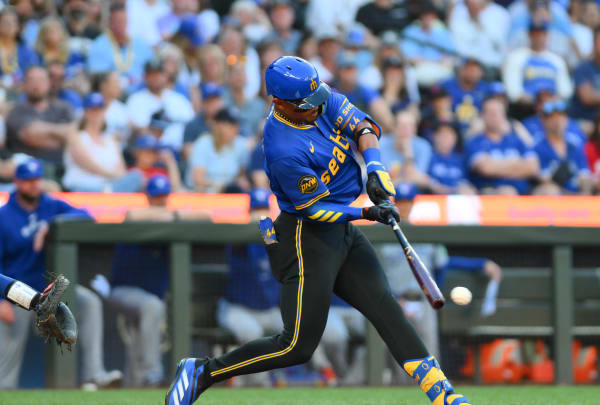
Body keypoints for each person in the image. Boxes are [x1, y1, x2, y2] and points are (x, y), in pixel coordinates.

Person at [165, 56, 471, 405]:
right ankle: (202, 371)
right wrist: (367, 211)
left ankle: (441, 393)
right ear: (280, 103)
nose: (316, 107)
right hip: (305, 237)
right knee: (296, 346)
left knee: (387, 309)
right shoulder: (281, 147)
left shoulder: (319, 97)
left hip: (342, 230)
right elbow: (315, 209)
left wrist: (374, 168)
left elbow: (364, 127)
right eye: (306, 104)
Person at [0, 159, 122, 390]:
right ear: (17, 182)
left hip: (48, 290)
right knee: (7, 349)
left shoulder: (50, 205)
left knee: (88, 302)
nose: (33, 185)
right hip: (16, 294)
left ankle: (94, 375)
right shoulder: (4, 215)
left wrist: (51, 223)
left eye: (37, 180)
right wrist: (0, 300)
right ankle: (4, 390)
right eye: (28, 180)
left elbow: (87, 215)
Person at [109, 174, 209, 387]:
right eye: (156, 197)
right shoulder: (138, 217)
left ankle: (133, 386)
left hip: (148, 295)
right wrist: (166, 215)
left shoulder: (170, 219)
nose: (160, 201)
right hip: (122, 291)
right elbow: (129, 215)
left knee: (139, 340)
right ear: (147, 197)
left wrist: (172, 215)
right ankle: (152, 373)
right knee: (153, 307)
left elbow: (206, 216)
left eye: (164, 196)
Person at [377, 183, 445, 381]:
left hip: (423, 300)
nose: (405, 207)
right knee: (399, 354)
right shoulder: (382, 232)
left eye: (409, 203)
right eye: (402, 203)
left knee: (430, 349)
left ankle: (436, 388)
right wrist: (392, 299)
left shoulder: (426, 234)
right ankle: (401, 391)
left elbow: (442, 266)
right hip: (396, 300)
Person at [219, 188, 283, 387]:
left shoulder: (276, 237)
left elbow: (275, 240)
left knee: (299, 329)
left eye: (264, 209)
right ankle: (259, 383)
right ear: (248, 212)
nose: (260, 214)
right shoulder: (240, 237)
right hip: (237, 309)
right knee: (252, 332)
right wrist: (261, 224)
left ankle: (326, 373)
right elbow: (250, 234)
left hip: (268, 310)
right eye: (256, 209)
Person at [62, 93, 143, 193]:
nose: (97, 113)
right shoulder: (77, 137)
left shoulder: (111, 139)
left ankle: (109, 191)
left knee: (137, 176)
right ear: (85, 112)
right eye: (92, 110)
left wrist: (118, 178)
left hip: (110, 185)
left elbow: (121, 169)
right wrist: (113, 176)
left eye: (100, 109)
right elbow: (88, 165)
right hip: (82, 186)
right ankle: (109, 191)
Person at [465, 98, 539, 195]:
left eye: (498, 112)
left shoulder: (515, 139)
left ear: (504, 115)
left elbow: (533, 167)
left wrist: (497, 165)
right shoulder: (475, 141)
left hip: (523, 193)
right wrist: (518, 163)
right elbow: (486, 168)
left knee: (549, 191)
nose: (494, 116)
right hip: (490, 193)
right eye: (490, 113)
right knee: (507, 192)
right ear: (482, 115)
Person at [5, 66, 77, 167]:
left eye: (41, 79)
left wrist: (44, 130)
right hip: (29, 171)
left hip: (63, 167)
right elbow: (33, 137)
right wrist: (64, 136)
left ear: (49, 83)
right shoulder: (16, 111)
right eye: (31, 80)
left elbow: (78, 133)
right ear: (24, 85)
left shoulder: (64, 107)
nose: (36, 84)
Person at [502, 19, 573, 107]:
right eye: (535, 34)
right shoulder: (517, 57)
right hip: (526, 107)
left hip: (554, 107)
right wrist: (537, 103)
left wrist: (550, 102)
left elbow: (565, 91)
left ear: (547, 35)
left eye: (542, 34)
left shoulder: (556, 60)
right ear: (529, 35)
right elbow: (513, 92)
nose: (539, 37)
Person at [86, 1, 153, 89]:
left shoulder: (140, 43)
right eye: (117, 21)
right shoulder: (99, 46)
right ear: (110, 22)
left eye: (123, 20)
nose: (121, 24)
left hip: (141, 94)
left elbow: (152, 67)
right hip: (111, 94)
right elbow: (97, 77)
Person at [532, 100, 592, 195]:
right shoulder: (537, 147)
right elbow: (544, 180)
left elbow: (585, 175)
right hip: (556, 202)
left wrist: (584, 194)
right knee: (550, 190)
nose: (558, 120)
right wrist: (571, 198)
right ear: (544, 121)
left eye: (561, 116)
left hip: (579, 198)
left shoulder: (574, 144)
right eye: (553, 117)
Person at [186, 108, 251, 193]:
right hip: (203, 194)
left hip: (229, 194)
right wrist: (219, 185)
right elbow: (198, 179)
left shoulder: (240, 144)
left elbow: (241, 174)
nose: (235, 129)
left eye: (236, 125)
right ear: (218, 125)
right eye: (230, 125)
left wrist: (241, 181)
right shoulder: (203, 143)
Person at [126, 59, 195, 132]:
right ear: (145, 77)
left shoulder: (178, 99)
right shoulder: (135, 99)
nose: (155, 78)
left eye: (158, 74)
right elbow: (130, 126)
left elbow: (191, 122)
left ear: (165, 76)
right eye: (151, 75)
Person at [448, 0, 510, 71]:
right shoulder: (458, 12)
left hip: (492, 64)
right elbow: (456, 43)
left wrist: (479, 23)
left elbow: (499, 44)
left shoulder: (501, 14)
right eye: (471, 5)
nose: (474, 8)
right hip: (466, 64)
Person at [378, 110, 433, 186]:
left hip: (414, 193)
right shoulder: (381, 145)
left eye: (410, 126)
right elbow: (380, 180)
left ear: (415, 129)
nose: (406, 130)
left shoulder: (423, 146)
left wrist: (408, 151)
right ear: (394, 127)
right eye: (402, 125)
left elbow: (418, 179)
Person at [428, 122, 475, 194]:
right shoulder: (428, 157)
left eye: (449, 136)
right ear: (435, 137)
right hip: (432, 200)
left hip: (457, 201)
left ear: (455, 138)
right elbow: (423, 180)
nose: (446, 139)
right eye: (443, 136)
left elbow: (466, 183)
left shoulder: (460, 160)